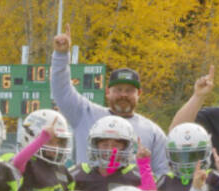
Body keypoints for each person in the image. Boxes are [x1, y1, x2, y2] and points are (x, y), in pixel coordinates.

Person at [50, 31, 169, 174]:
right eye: (118, 89)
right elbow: (61, 90)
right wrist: (61, 56)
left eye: (129, 90)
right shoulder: (85, 114)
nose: (123, 95)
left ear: (139, 94)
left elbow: (162, 174)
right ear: (107, 92)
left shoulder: (153, 132)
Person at [9, 108, 74, 191]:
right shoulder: (29, 164)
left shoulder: (62, 170)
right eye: (49, 141)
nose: (56, 147)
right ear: (30, 137)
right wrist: (42, 138)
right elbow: (17, 162)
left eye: (59, 142)